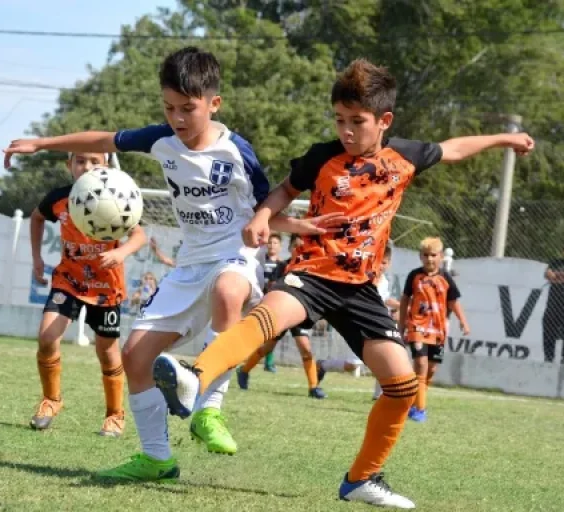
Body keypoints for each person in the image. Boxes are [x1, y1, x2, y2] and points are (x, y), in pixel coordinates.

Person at [152, 58, 533, 507]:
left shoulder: (404, 157)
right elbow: (282, 192)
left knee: (402, 384)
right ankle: (194, 378)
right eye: (339, 120)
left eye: (357, 122)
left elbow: (454, 148)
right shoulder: (323, 155)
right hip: (313, 273)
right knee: (267, 319)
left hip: (362, 290)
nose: (347, 130)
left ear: (384, 121)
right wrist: (260, 215)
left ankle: (363, 478)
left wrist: (505, 139)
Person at [3, 46, 335, 480]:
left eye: (187, 109)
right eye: (169, 108)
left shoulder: (237, 152)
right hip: (190, 262)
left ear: (213, 103)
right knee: (134, 356)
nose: (177, 118)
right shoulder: (161, 140)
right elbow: (103, 139)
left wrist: (295, 226)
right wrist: (43, 144)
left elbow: (261, 209)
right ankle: (158, 458)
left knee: (228, 290)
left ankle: (209, 411)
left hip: (236, 252)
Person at [24, 151, 147, 436]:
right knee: (46, 337)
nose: (87, 166)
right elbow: (36, 218)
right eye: (80, 161)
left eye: (94, 161)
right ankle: (51, 400)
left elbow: (138, 235)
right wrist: (37, 258)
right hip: (68, 280)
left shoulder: (117, 193)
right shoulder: (60, 198)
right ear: (69, 166)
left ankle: (115, 415)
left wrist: (121, 252)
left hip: (106, 286)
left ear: (106, 165)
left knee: (106, 351)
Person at [237, 233, 327, 398]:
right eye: (295, 247)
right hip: (282, 312)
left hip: (300, 313)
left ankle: (313, 387)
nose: (299, 250)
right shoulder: (282, 266)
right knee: (267, 347)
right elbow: (273, 287)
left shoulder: (310, 268)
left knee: (306, 349)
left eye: (302, 247)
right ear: (290, 248)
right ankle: (243, 370)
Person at [400, 237, 469, 423]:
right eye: (425, 255)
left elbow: (453, 301)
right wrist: (401, 323)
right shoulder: (414, 276)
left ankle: (415, 402)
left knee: (431, 369)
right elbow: (405, 299)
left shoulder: (445, 277)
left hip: (438, 330)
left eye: (433, 255)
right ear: (420, 256)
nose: (429, 259)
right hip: (417, 326)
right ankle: (420, 410)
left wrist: (463, 321)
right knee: (420, 365)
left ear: (440, 256)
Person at [318, 245, 398, 397]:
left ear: (389, 263)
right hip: (359, 325)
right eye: (379, 261)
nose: (381, 266)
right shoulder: (364, 278)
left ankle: (378, 395)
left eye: (385, 262)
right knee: (353, 365)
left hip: (377, 326)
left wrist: (399, 306)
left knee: (384, 356)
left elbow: (384, 299)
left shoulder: (385, 281)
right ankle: (323, 365)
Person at [260, 232, 283, 373]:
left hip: (273, 300)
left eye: (275, 243)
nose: (272, 245)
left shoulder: (282, 264)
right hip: (258, 298)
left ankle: (268, 362)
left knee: (271, 332)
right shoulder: (260, 260)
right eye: (270, 242)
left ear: (280, 246)